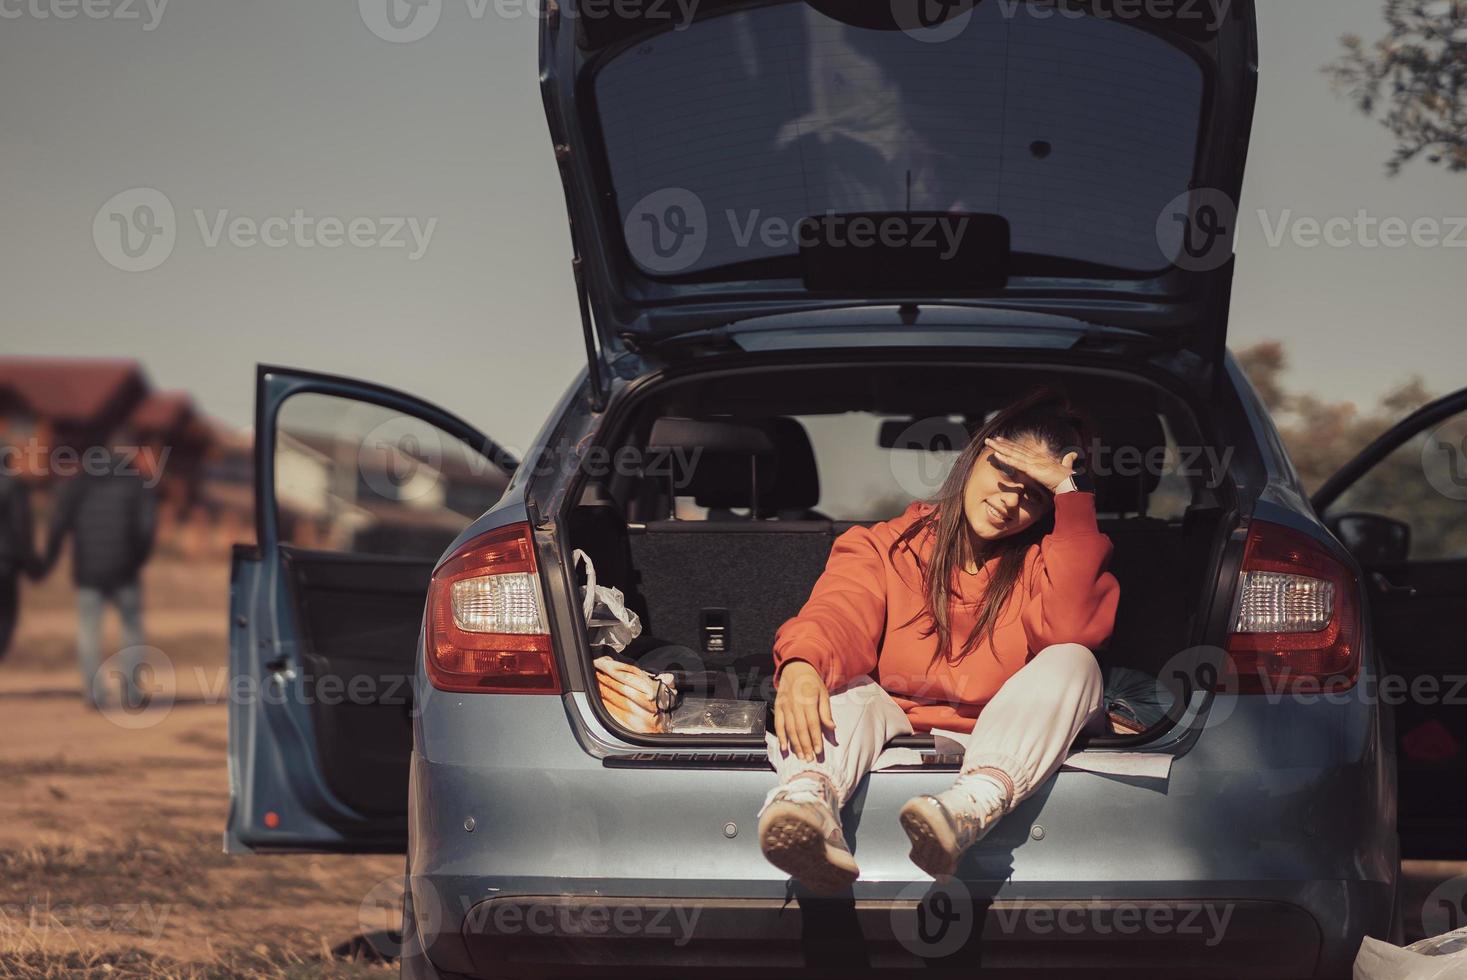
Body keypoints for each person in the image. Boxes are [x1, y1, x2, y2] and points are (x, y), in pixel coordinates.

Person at [757, 387, 1121, 893]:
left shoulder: (1049, 561)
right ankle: (806, 807)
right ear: (976, 455)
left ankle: (967, 810)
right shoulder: (884, 545)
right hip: (893, 717)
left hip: (1006, 739)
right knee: (836, 681)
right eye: (1006, 473)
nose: (1011, 499)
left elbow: (1075, 628)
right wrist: (800, 663)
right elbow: (840, 611)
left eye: (1035, 494)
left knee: (1074, 660)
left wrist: (1072, 501)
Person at [40, 431, 157, 709]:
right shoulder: (137, 483)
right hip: (125, 571)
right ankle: (131, 692)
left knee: (88, 630)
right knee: (131, 628)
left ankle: (94, 694)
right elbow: (147, 529)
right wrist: (137, 560)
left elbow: (59, 523)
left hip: (88, 571)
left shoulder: (80, 482)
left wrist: (47, 560)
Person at [0, 465, 41, 659]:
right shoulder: (13, 485)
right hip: (5, 562)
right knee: (6, 614)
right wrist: (30, 564)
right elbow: (20, 527)